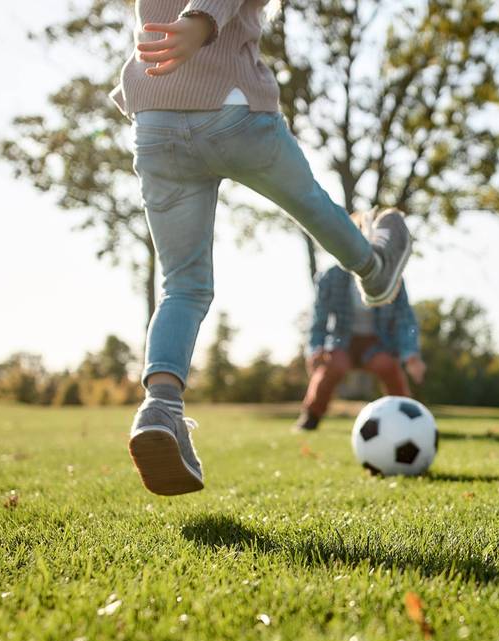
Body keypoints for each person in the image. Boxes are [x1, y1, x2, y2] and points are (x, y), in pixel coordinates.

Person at [114, 1, 413, 496]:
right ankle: (374, 268)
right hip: (233, 109)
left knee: (182, 287)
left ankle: (160, 405)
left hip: (155, 122)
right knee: (314, 204)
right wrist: (201, 21)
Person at [295, 213, 426, 431]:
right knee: (332, 367)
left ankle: (409, 418)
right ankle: (311, 416)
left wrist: (410, 353)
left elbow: (405, 319)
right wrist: (315, 349)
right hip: (341, 340)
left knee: (389, 366)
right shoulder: (331, 276)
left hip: (375, 342)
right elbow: (319, 319)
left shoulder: (391, 277)